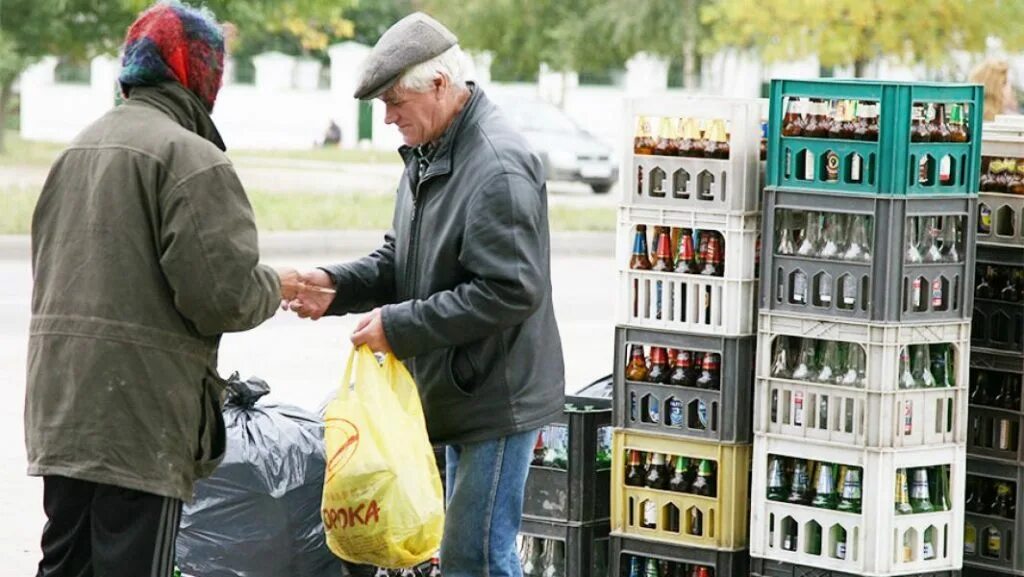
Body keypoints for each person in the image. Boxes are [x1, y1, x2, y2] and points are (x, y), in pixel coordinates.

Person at [26, 3, 305, 576]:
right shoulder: (191, 159)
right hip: (139, 423)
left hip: (65, 408)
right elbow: (221, 298)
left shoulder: (77, 149)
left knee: (66, 562)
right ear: (200, 74)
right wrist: (275, 287)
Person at [283, 12, 565, 577]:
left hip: (496, 395)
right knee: (465, 555)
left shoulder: (497, 165)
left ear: (439, 84)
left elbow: (510, 291)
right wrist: (334, 286)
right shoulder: (430, 151)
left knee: (477, 557)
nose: (386, 118)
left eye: (393, 102)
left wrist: (400, 326)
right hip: (458, 385)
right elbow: (403, 260)